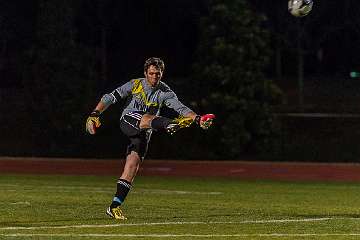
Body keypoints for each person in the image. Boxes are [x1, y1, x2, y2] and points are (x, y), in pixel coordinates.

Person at [85, 57, 215, 220]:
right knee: (146, 117)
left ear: (162, 74)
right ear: (145, 73)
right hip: (129, 120)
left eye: (158, 74)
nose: (154, 77)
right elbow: (110, 97)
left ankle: (114, 206)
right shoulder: (135, 84)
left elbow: (180, 107)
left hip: (146, 131)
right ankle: (169, 124)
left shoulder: (165, 92)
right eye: (152, 73)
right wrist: (95, 114)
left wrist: (198, 119)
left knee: (132, 167)